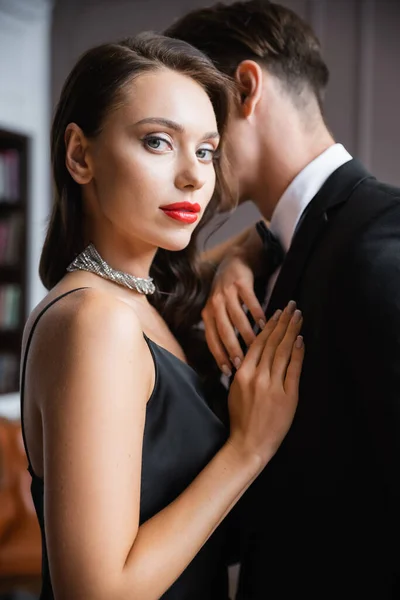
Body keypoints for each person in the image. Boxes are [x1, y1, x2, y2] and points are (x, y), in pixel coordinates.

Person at [20, 33, 305, 600]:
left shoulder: (126, 298)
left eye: (205, 150)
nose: (195, 177)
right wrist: (248, 449)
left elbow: (255, 239)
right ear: (80, 155)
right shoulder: (95, 322)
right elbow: (98, 592)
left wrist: (239, 261)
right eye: (157, 141)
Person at [166, 1, 400, 598]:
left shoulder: (376, 246)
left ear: (246, 88)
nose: (185, 159)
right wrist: (252, 250)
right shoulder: (287, 244)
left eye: (195, 117)